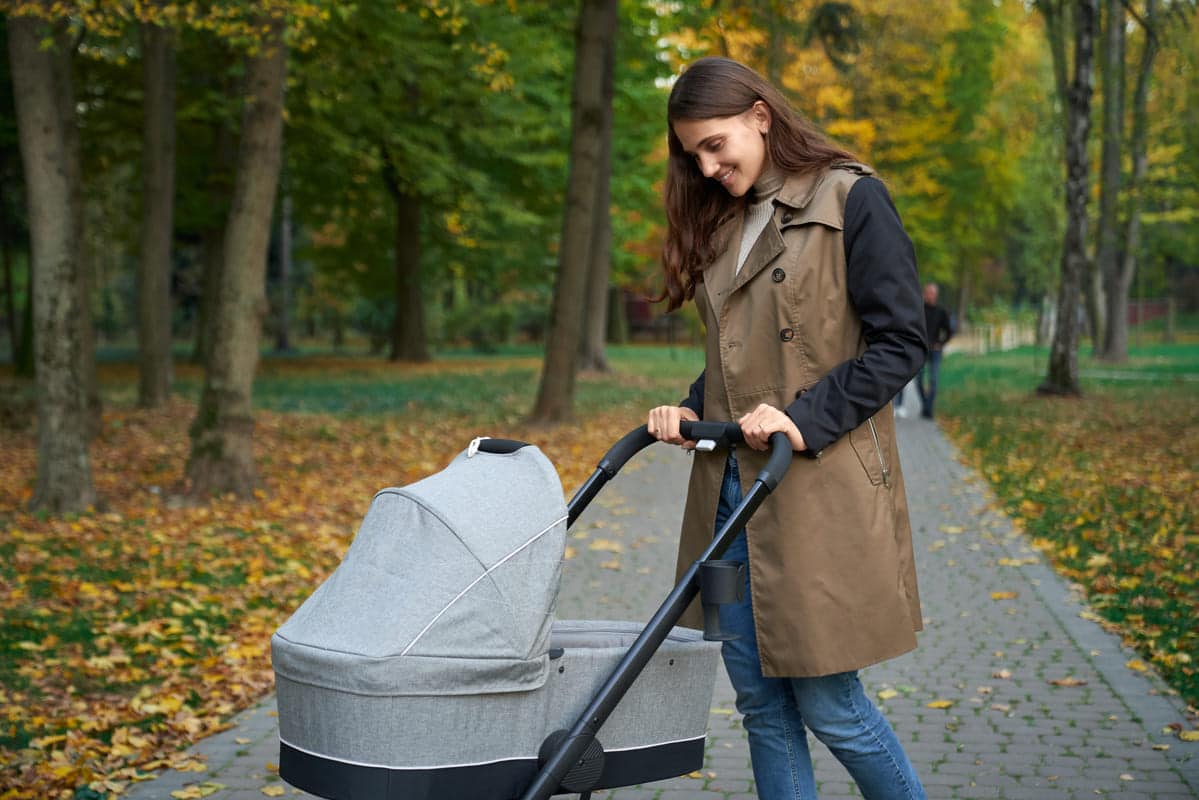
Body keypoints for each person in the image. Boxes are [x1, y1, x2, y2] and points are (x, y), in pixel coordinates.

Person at [645, 57, 928, 800]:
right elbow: (738, 363)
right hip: (729, 494)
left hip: (816, 490)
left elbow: (901, 343)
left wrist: (802, 420)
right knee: (761, 712)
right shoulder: (725, 221)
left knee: (831, 707)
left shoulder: (851, 198)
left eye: (714, 145)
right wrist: (688, 413)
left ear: (760, 117)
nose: (706, 168)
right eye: (692, 155)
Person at [917, 282, 953, 419]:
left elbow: (949, 332)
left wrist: (941, 344)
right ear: (924, 294)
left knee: (933, 380)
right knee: (919, 381)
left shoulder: (941, 311)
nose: (931, 296)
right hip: (921, 350)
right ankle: (926, 405)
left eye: (933, 293)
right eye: (928, 293)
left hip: (935, 351)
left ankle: (928, 409)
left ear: (936, 295)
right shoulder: (918, 310)